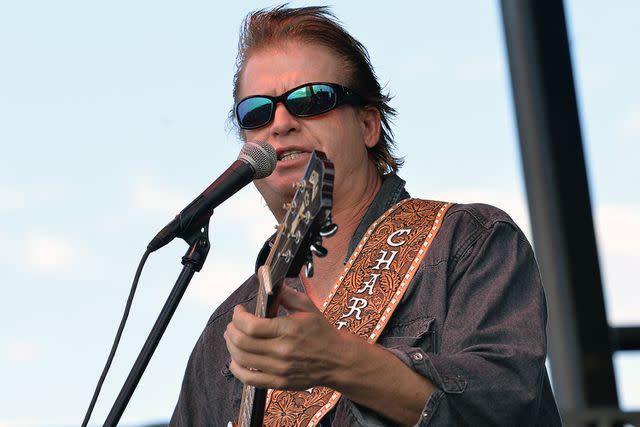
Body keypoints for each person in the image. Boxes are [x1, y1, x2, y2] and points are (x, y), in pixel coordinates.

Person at [171, 5, 561, 426]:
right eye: (257, 112)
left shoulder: (468, 243)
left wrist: (341, 363)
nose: (280, 123)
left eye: (311, 99)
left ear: (368, 125)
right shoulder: (223, 338)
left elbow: (504, 410)